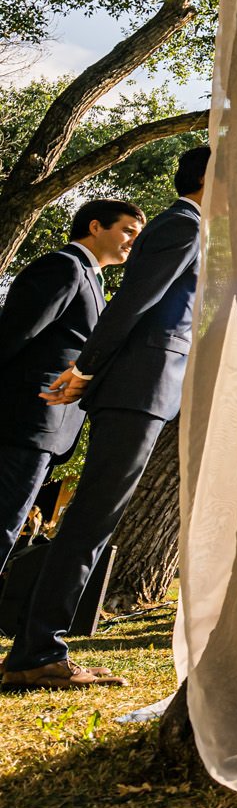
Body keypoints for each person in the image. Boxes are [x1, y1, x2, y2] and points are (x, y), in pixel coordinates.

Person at [3, 146, 206, 691]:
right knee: (91, 520)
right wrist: (86, 369)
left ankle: (34, 646)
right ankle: (38, 651)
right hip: (138, 389)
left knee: (92, 520)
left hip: (143, 391)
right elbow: (135, 303)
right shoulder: (182, 226)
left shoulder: (188, 229)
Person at [1, 198, 144, 566]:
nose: (133, 240)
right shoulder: (63, 268)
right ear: (96, 227)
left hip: (48, 431)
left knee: (10, 521)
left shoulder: (93, 280)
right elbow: (14, 334)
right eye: (127, 230)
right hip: (25, 420)